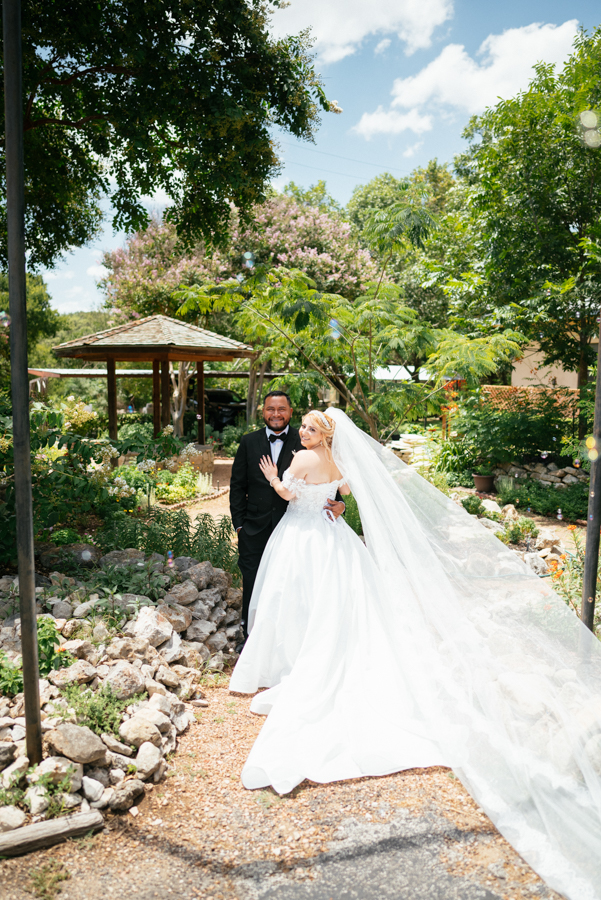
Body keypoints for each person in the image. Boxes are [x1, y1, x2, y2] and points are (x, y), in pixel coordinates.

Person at [230, 407, 601, 900]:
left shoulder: (298, 460)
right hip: (333, 540)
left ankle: (293, 662)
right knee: (333, 605)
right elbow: (342, 497)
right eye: (305, 426)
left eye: (310, 427)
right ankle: (308, 657)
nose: (302, 431)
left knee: (293, 601)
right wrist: (336, 507)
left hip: (300, 538)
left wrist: (278, 480)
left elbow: (290, 495)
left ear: (321, 434)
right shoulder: (342, 463)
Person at [229, 391, 345, 642]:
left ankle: (288, 642)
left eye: (282, 409)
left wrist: (340, 505)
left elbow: (330, 486)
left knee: (295, 587)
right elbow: (237, 486)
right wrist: (240, 526)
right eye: (271, 409)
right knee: (253, 583)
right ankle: (251, 639)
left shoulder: (305, 441)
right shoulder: (249, 442)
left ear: (291, 412)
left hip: (296, 529)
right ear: (263, 412)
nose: (276, 414)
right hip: (255, 529)